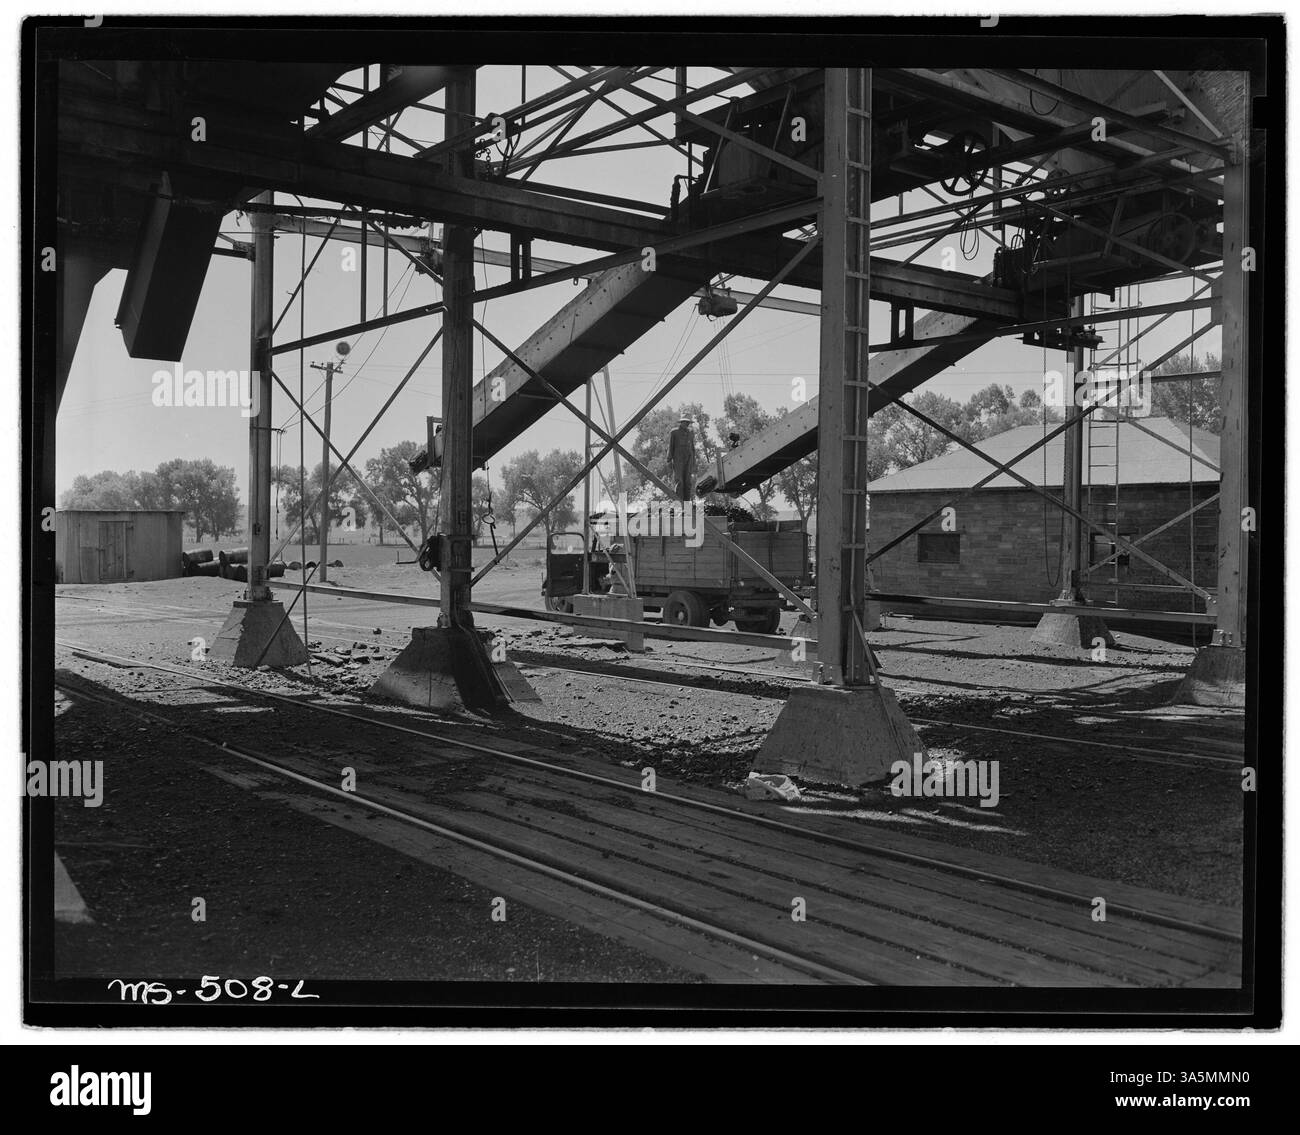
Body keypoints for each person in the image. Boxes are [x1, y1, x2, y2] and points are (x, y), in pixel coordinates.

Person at [667, 415, 698, 502]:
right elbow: (671, 446)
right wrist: (669, 459)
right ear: (681, 423)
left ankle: (687, 503)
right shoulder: (674, 432)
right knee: (679, 481)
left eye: (688, 423)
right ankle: (679, 502)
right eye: (686, 422)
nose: (687, 424)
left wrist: (694, 462)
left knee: (688, 482)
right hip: (678, 459)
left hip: (689, 458)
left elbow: (692, 447)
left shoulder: (690, 433)